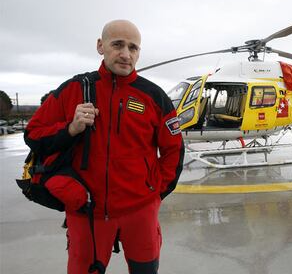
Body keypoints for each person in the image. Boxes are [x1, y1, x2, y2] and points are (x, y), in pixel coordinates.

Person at [24, 20, 184, 274]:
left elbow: (174, 149)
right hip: (87, 213)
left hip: (140, 211)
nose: (125, 54)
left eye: (133, 48)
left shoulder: (153, 96)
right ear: (101, 46)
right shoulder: (73, 89)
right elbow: (33, 134)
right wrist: (70, 129)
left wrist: (154, 194)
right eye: (117, 45)